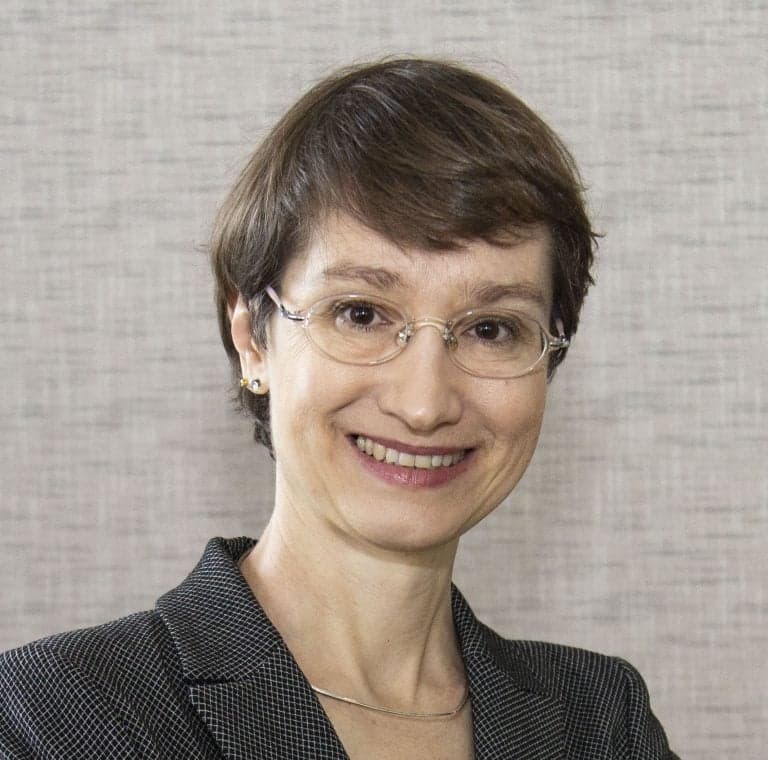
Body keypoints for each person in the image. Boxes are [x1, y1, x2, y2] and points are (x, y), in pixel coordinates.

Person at [0, 58, 679, 759]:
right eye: (361, 313)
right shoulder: (49, 720)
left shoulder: (601, 722)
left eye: (490, 328)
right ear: (252, 339)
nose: (424, 404)